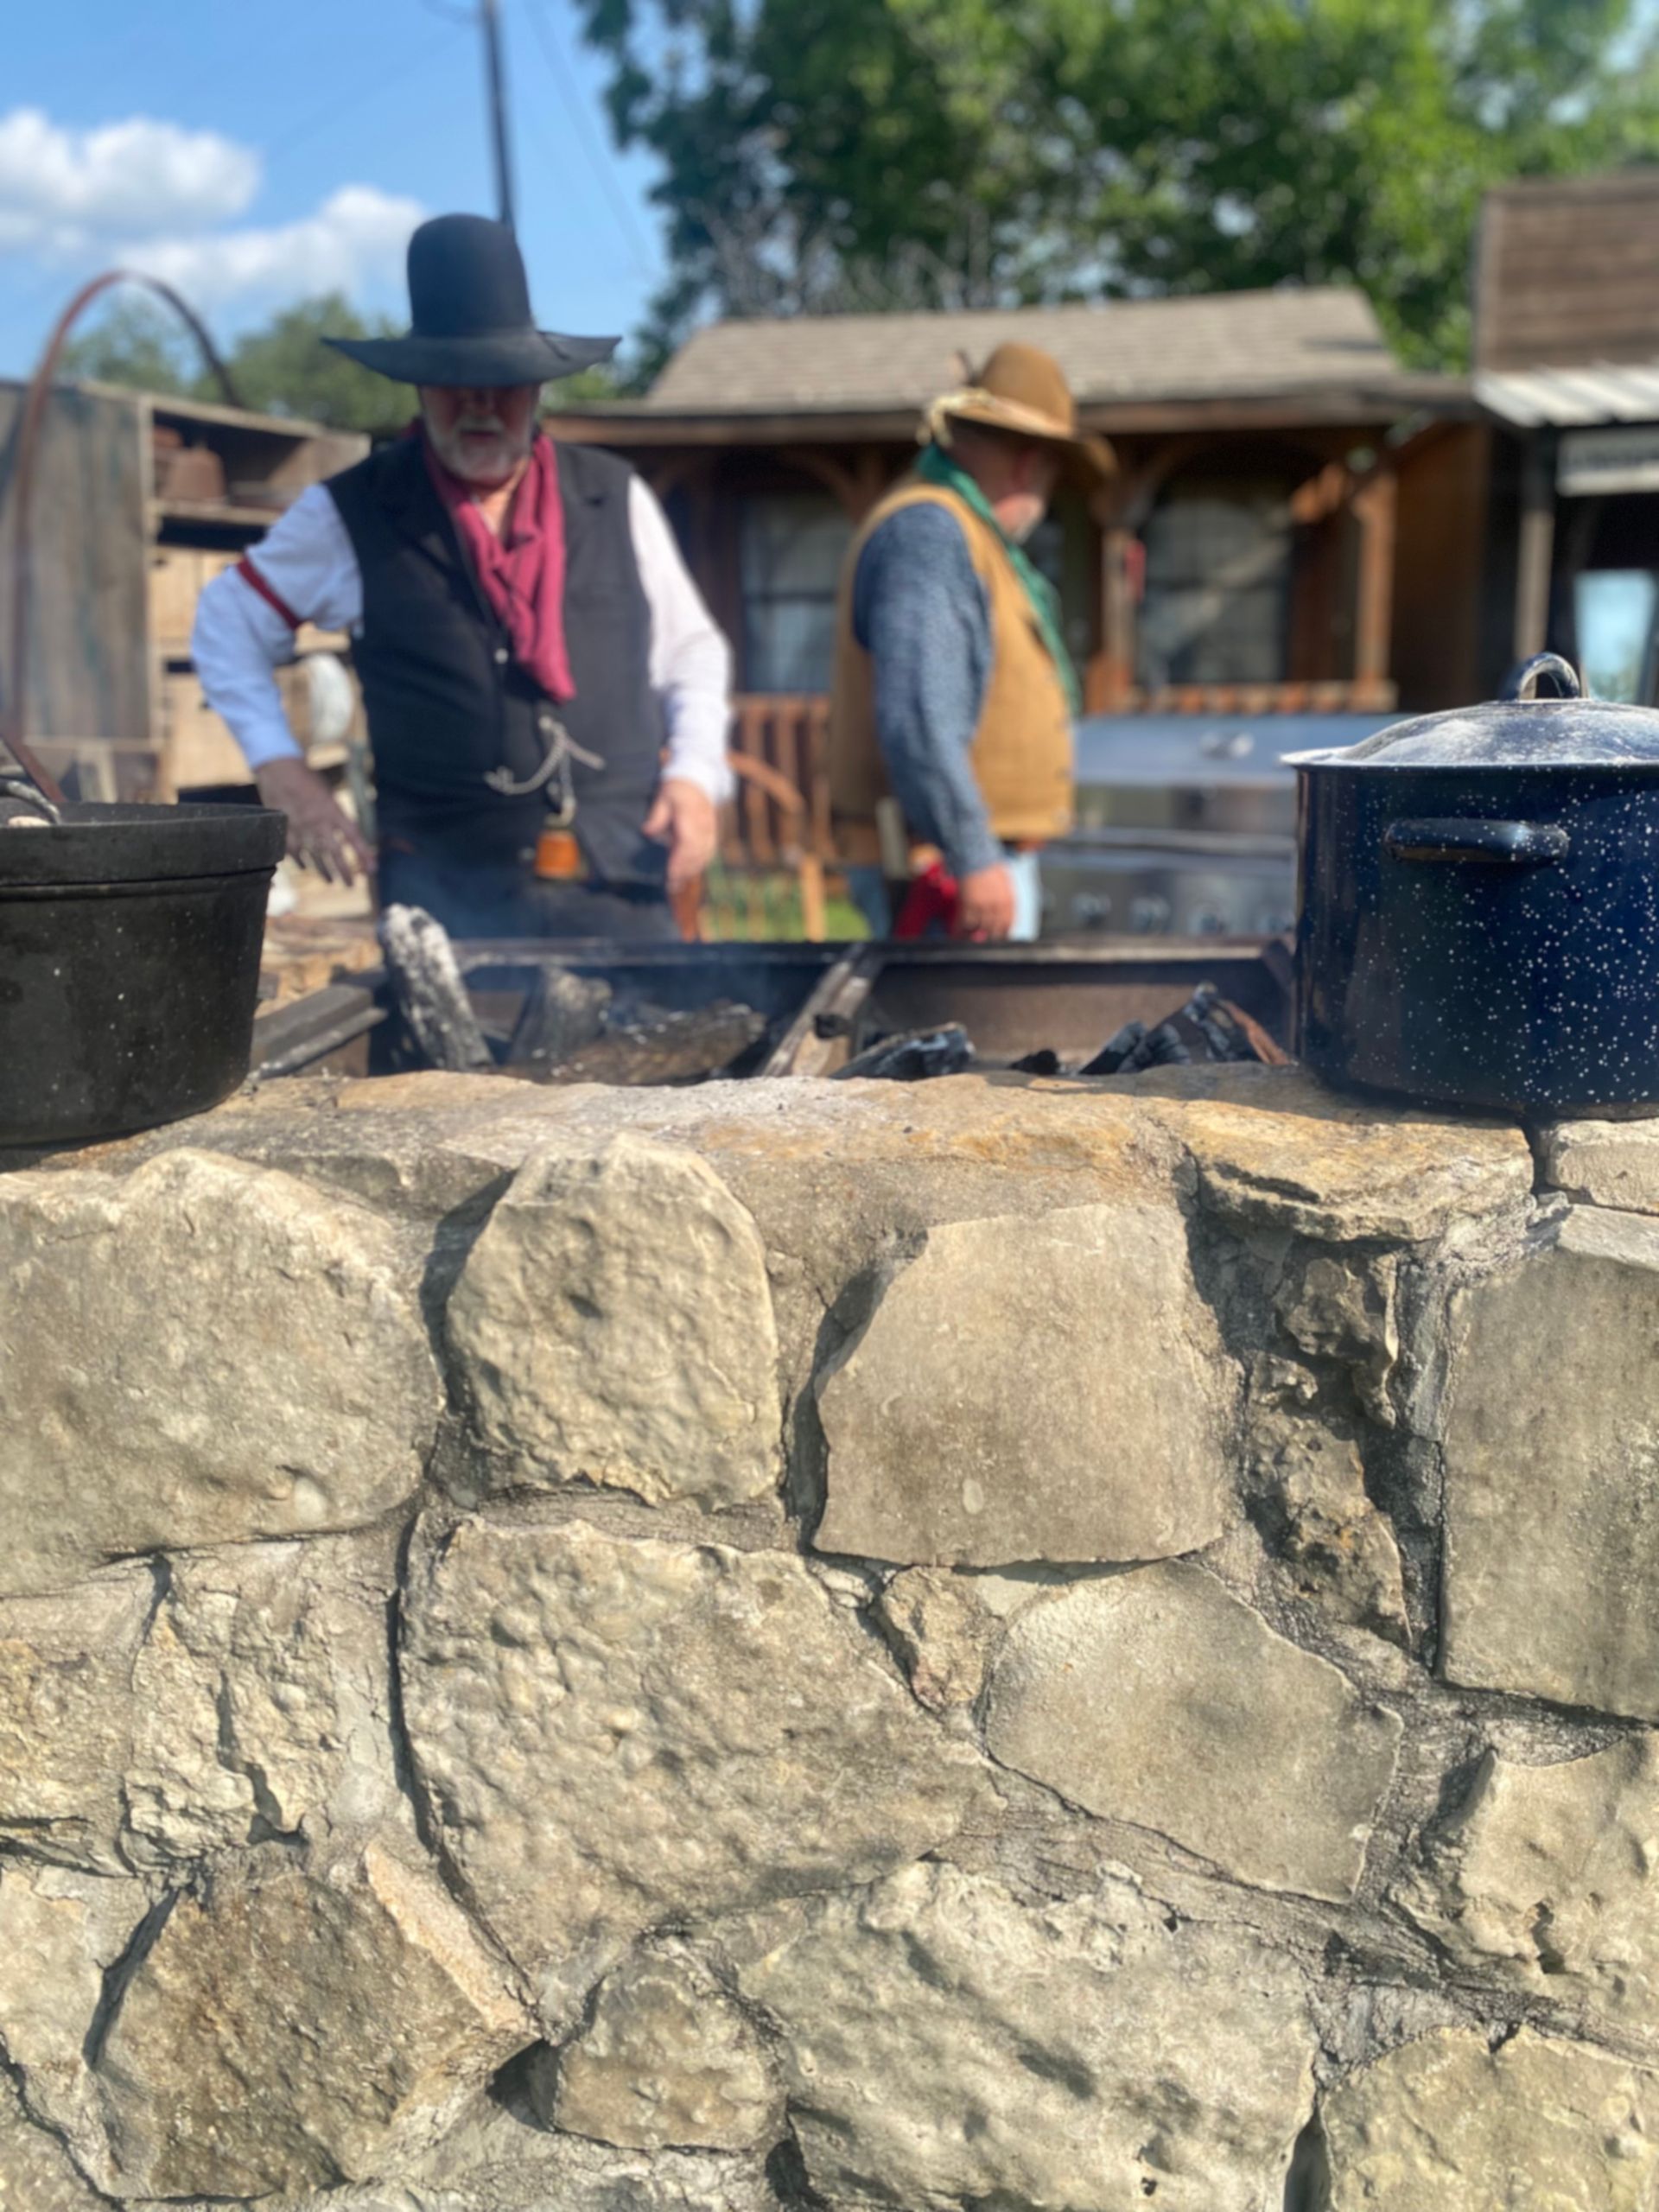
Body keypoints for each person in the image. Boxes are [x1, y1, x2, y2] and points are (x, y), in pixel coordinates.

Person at [193, 213, 731, 941]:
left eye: (501, 382)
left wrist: (696, 773)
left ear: (538, 387)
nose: (480, 404)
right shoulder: (351, 512)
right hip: (447, 903)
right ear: (419, 386)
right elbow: (227, 619)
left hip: (620, 886)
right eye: (453, 381)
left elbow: (692, 651)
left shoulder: (613, 495)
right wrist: (280, 767)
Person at [827, 342, 1113, 940]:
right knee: (964, 1036)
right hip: (945, 869)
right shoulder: (930, 532)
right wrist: (973, 855)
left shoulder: (955, 529)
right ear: (1029, 464)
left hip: (964, 856)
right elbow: (920, 716)